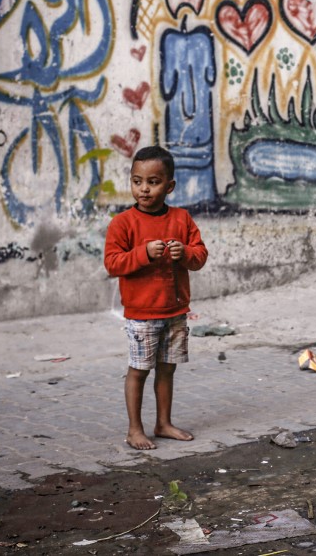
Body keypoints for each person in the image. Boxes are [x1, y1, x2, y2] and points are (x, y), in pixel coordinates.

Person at [104, 145, 209, 450]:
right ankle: (134, 429)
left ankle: (163, 423)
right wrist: (143, 254)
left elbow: (200, 256)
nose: (144, 189)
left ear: (169, 186)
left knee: (167, 368)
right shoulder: (123, 223)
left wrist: (185, 253)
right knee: (139, 370)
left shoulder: (181, 218)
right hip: (142, 313)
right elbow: (112, 263)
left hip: (175, 311)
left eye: (153, 182)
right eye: (137, 181)